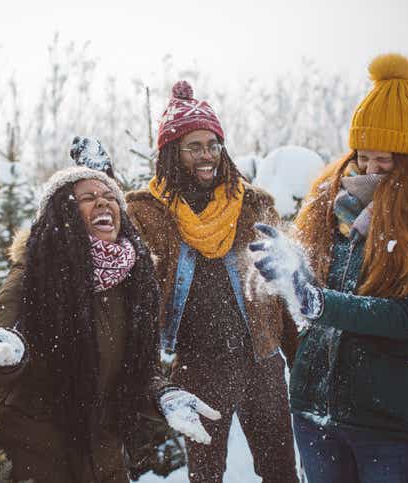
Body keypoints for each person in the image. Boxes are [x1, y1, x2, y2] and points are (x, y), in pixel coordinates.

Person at [250, 53, 408, 483]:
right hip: (312, 410)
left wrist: (318, 301)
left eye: (387, 160)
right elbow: (314, 305)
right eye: (364, 157)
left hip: (385, 421)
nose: (372, 169)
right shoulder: (330, 207)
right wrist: (292, 279)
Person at [0, 166, 220, 482]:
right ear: (63, 213)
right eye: (87, 198)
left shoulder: (133, 283)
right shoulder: (33, 274)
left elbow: (140, 371)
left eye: (110, 197)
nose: (103, 203)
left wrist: (164, 395)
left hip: (101, 449)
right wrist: (7, 354)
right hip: (32, 446)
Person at [125, 80, 299, 483]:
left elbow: (282, 286)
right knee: (205, 475)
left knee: (280, 472)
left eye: (213, 145)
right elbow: (131, 289)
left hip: (262, 360)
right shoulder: (147, 214)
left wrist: (298, 356)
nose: (207, 156)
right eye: (194, 147)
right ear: (172, 153)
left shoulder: (254, 204)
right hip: (197, 364)